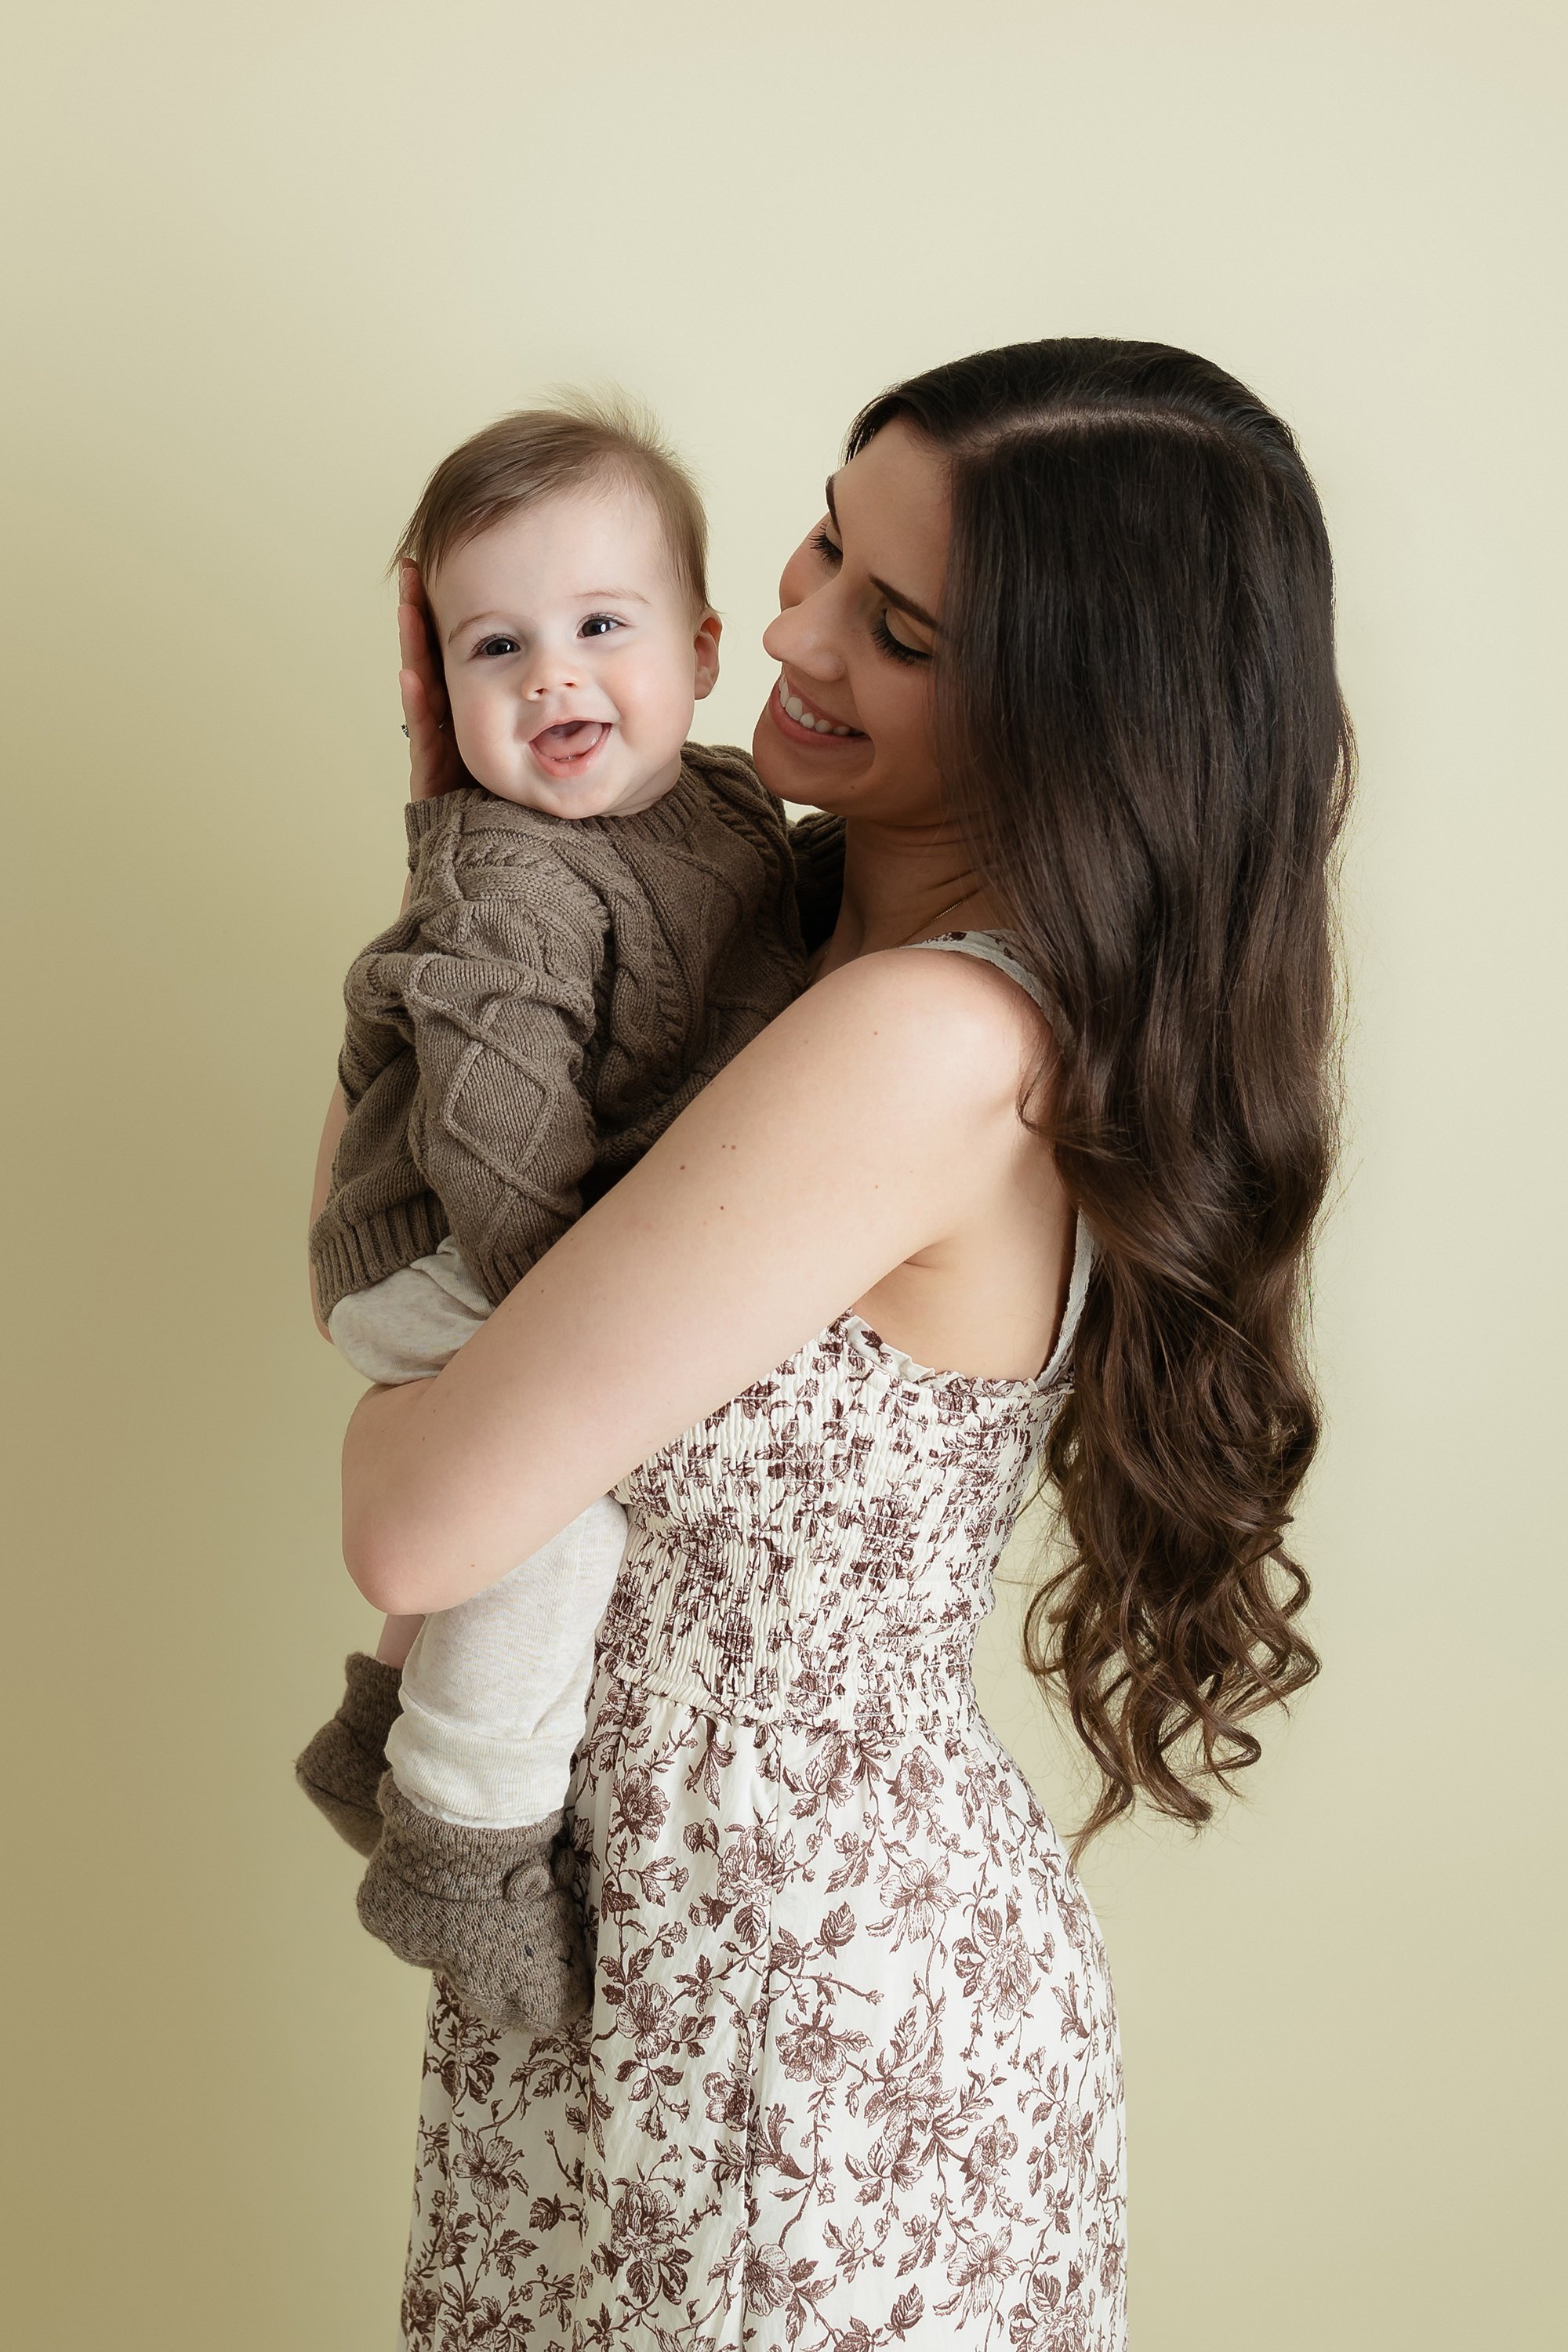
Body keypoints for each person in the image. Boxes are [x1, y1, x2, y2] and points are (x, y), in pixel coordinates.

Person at [332, 339, 1351, 2350]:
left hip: (793, 2025)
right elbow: (418, 1219)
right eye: (819, 544)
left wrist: (407, 1419)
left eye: (896, 627)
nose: (789, 632)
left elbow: (416, 1516)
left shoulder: (925, 1039)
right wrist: (491, 851)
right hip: (658, 1957)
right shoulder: (759, 927)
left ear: (1070, 716)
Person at [296, 398, 839, 2029]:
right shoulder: (511, 881)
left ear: (702, 648)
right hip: (438, 1231)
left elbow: (760, 946)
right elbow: (499, 1131)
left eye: (601, 626)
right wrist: (579, 1355)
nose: (552, 678)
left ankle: (374, 1736)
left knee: (531, 1457)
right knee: (552, 1500)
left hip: (520, 1219)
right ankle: (459, 1847)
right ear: (442, 685)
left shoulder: (725, 805)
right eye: (497, 647)